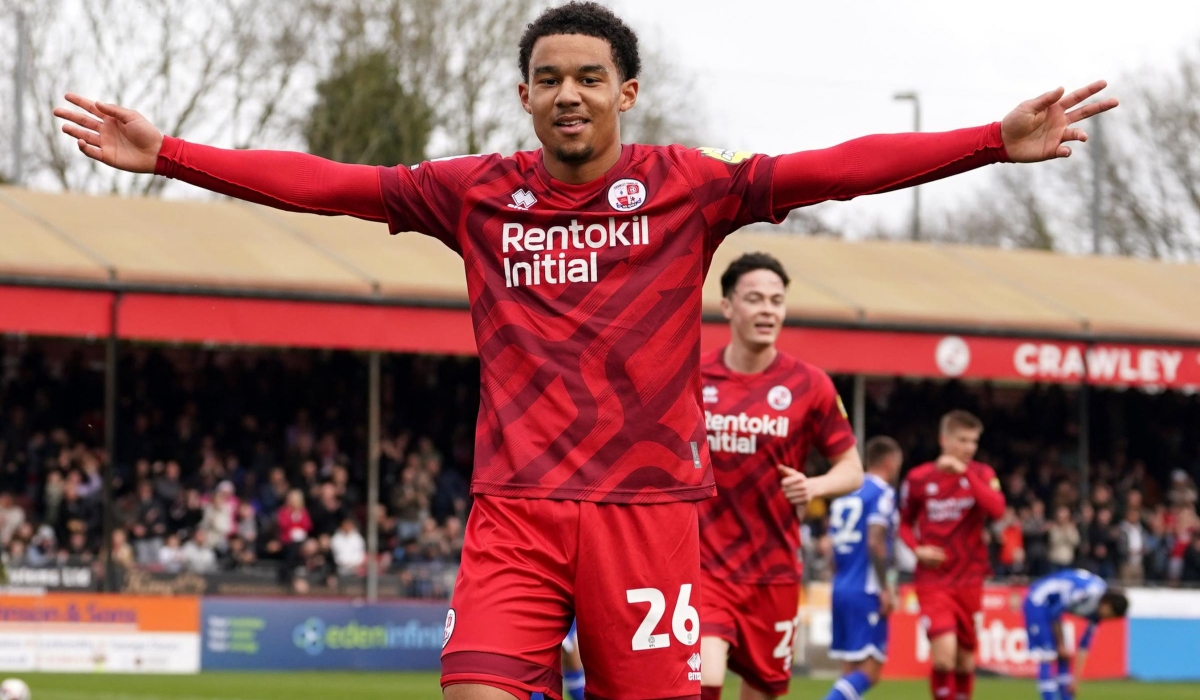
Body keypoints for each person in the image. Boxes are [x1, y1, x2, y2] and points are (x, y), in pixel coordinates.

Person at [53, 0, 1115, 695]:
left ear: (626, 93)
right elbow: (330, 184)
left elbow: (833, 167)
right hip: (514, 509)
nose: (569, 92)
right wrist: (174, 157)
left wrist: (988, 139)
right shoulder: (474, 193)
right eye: (549, 77)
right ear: (525, 96)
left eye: (589, 76)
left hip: (649, 520)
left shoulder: (688, 183)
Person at [697, 253, 864, 699]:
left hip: (772, 573)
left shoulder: (810, 385)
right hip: (702, 566)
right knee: (703, 679)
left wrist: (814, 486)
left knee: (764, 690)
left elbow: (852, 470)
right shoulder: (692, 377)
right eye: (754, 299)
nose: (768, 309)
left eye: (776, 299)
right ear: (728, 306)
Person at [899, 410, 1006, 700]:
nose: (969, 447)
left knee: (965, 662)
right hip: (934, 579)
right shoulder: (919, 478)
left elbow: (997, 510)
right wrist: (916, 549)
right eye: (962, 440)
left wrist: (965, 473)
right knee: (944, 658)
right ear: (944, 440)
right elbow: (904, 522)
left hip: (970, 578)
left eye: (973, 441)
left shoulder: (983, 474)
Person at [824, 437, 904, 700]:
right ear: (890, 461)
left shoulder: (845, 494)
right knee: (871, 671)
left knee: (849, 670)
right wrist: (885, 588)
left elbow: (829, 548)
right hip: (866, 589)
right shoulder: (883, 492)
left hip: (840, 586)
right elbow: (875, 541)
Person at [1023, 569, 1128, 700]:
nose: (1107, 619)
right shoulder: (1084, 594)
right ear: (1107, 605)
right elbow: (1054, 612)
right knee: (1048, 655)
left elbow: (1084, 644)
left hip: (1052, 608)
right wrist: (1060, 644)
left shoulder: (1099, 608)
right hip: (1038, 601)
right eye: (1110, 616)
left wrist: (1076, 681)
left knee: (1063, 657)